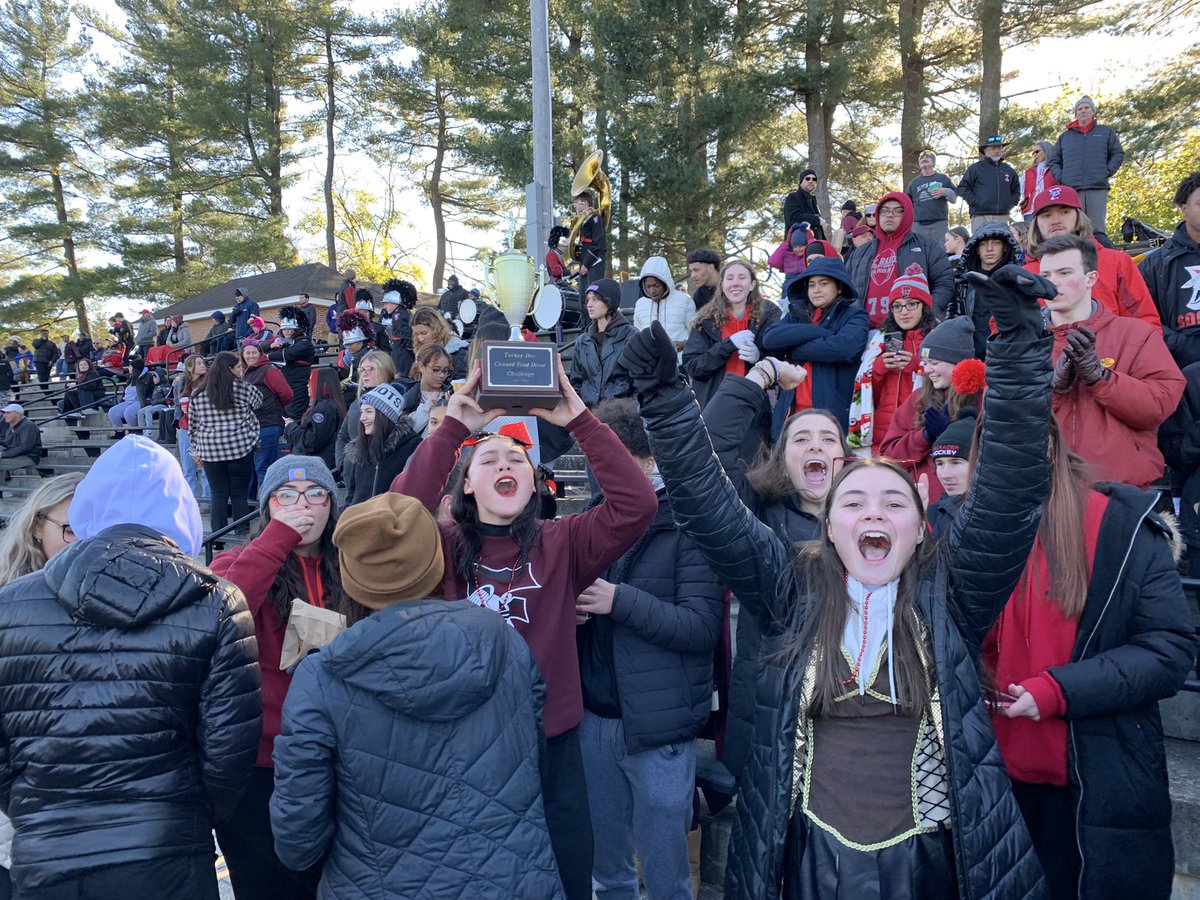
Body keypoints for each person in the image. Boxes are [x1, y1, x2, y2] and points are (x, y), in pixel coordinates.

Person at [620, 261, 1057, 898]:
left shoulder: (951, 595)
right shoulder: (791, 590)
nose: (873, 513)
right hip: (806, 863)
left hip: (931, 866)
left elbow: (1011, 487)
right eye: (854, 503)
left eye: (893, 503)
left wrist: (1017, 345)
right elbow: (711, 509)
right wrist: (664, 401)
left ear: (919, 528)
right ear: (830, 529)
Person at [390, 361, 658, 900]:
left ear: (535, 482)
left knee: (567, 878)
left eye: (517, 458)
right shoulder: (440, 546)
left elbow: (637, 504)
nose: (505, 463)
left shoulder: (563, 542)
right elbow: (393, 516)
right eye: (488, 460)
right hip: (463, 745)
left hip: (552, 746)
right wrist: (454, 429)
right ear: (466, 484)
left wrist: (579, 418)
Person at [0, 435, 261, 899]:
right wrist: (189, 816)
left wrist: (35, 811)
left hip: (49, 855)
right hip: (167, 850)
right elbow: (228, 752)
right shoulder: (216, 601)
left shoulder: (11, 604)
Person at [270, 492, 564, 899]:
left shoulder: (321, 677)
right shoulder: (504, 641)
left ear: (353, 578)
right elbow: (534, 762)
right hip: (514, 878)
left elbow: (298, 840)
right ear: (435, 562)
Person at [983, 420, 1194, 900]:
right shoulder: (961, 526)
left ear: (1054, 446)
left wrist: (1059, 691)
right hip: (989, 781)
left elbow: (1168, 649)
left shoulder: (1121, 527)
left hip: (1092, 779)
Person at [577, 399, 724, 900]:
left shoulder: (690, 524)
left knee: (667, 880)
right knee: (608, 873)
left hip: (659, 731)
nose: (603, 474)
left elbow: (701, 627)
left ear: (643, 459)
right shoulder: (593, 518)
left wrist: (619, 600)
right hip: (593, 719)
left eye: (610, 461)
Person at [211, 456, 345, 900]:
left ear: (332, 504)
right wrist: (278, 540)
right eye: (285, 495)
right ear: (267, 507)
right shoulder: (237, 560)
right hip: (260, 763)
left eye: (315, 494)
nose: (301, 505)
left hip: (337, 756)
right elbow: (223, 614)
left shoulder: (355, 564)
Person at [1039, 233, 1184, 489]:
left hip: (1122, 492)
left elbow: (1160, 404)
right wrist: (1053, 390)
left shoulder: (1137, 334)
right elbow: (1003, 421)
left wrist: (1102, 379)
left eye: (1064, 273)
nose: (1053, 284)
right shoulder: (1022, 343)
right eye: (1046, 276)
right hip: (1046, 491)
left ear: (1091, 278)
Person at [0, 473, 83, 898]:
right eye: (70, 529)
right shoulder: (6, 601)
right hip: (22, 818)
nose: (84, 541)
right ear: (36, 526)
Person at [878, 316, 979, 506]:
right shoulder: (918, 400)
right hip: (926, 506)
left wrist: (953, 436)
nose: (927, 370)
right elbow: (888, 458)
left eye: (934, 362)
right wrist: (924, 436)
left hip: (973, 504)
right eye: (925, 362)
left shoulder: (983, 397)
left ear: (957, 362)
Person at [761, 256, 870, 432]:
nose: (816, 290)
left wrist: (794, 350)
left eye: (823, 283)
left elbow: (844, 349)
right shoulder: (795, 315)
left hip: (833, 418)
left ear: (839, 287)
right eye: (811, 285)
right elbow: (770, 339)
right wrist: (822, 333)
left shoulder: (854, 315)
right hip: (791, 415)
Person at [1024, 185, 1158, 325]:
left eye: (1064, 212)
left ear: (1078, 217)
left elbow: (1145, 321)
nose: (1056, 220)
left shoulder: (1117, 262)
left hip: (1112, 345)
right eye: (1047, 215)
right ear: (1036, 223)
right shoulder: (1024, 275)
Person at [848, 267, 940, 453]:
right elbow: (866, 395)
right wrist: (878, 368)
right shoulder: (880, 340)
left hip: (921, 432)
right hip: (884, 433)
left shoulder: (938, 337)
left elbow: (948, 382)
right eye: (897, 306)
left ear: (925, 306)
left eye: (912, 304)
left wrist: (917, 366)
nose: (904, 312)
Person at [681, 258, 782, 410]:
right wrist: (728, 345)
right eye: (729, 278)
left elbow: (781, 363)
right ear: (722, 284)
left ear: (752, 284)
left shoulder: (769, 314)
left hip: (754, 409)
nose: (735, 283)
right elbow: (694, 368)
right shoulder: (705, 319)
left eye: (742, 278)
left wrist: (758, 358)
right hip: (713, 406)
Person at [846, 191, 955, 325]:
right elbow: (846, 291)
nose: (890, 215)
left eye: (898, 211)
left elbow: (944, 282)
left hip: (909, 331)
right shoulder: (859, 253)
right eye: (885, 210)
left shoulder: (927, 246)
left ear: (908, 214)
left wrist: (928, 313)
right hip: (864, 332)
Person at [188, 350, 263, 534]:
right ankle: (241, 532)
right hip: (240, 446)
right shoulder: (242, 388)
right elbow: (259, 402)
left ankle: (217, 537)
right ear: (230, 369)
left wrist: (196, 446)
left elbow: (193, 425)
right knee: (239, 493)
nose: (241, 370)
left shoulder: (198, 393)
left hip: (211, 450)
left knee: (218, 493)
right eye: (238, 367)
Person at [1140, 170, 1200, 369]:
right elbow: (1139, 315)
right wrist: (1181, 345)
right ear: (1184, 209)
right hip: (1184, 370)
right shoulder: (1155, 263)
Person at [1048, 96, 1124, 239]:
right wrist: (1062, 178)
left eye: (1087, 108)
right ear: (1076, 113)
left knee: (1098, 230)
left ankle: (1100, 259)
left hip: (1097, 187)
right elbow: (1054, 161)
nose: (1083, 111)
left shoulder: (1105, 132)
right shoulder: (1065, 137)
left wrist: (1107, 171)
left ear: (1093, 111)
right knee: (1074, 228)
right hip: (1072, 189)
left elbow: (1118, 153)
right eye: (1080, 109)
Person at [952, 223, 1024, 357]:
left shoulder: (1018, 281)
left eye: (996, 243)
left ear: (1005, 247)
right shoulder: (962, 282)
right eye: (983, 244)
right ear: (976, 248)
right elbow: (952, 321)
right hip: (971, 357)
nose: (989, 248)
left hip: (1009, 358)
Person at [345, 384, 421, 505]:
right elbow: (352, 493)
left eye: (369, 411)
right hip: (358, 519)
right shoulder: (362, 447)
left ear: (385, 415)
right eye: (362, 412)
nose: (362, 418)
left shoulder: (411, 446)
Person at [571, 278, 636, 408]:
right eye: (588, 300)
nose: (589, 304)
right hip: (589, 416)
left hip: (621, 417)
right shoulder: (582, 341)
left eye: (595, 299)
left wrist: (630, 413)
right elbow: (576, 383)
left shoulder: (631, 336)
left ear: (609, 302)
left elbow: (640, 384)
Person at [240, 342, 294, 495]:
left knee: (263, 468)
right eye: (247, 353)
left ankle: (267, 508)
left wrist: (271, 406)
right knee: (250, 471)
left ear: (260, 353)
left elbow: (287, 394)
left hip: (267, 425)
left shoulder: (269, 371)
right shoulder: (246, 373)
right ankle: (247, 511)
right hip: (250, 428)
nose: (250, 356)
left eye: (254, 353)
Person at [926, 407, 977, 538]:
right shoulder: (929, 516)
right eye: (940, 464)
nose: (945, 475)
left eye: (955, 463)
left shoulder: (1002, 513)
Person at [285, 367, 346, 471]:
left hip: (317, 466)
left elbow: (311, 442)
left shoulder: (324, 409)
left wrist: (290, 427)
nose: (308, 385)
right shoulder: (329, 405)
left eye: (311, 381)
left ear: (323, 384)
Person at [957, 134, 1020, 231]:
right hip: (980, 217)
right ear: (985, 151)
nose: (997, 151)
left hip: (1003, 217)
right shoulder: (975, 168)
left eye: (999, 147)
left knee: (1002, 245)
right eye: (993, 148)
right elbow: (962, 188)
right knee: (980, 245)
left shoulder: (1009, 170)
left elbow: (1016, 190)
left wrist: (1009, 204)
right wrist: (977, 202)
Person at [633, 256, 692, 351]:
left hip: (680, 362)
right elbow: (637, 334)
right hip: (650, 363)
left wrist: (685, 344)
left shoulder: (684, 301)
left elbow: (696, 334)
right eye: (648, 286)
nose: (652, 290)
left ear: (665, 282)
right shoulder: (640, 304)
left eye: (656, 285)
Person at [267, 306, 316, 418]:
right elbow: (258, 346)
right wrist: (270, 345)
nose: (287, 331)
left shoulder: (304, 343)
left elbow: (288, 354)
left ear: (296, 329)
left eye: (290, 328)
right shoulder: (281, 341)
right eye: (284, 329)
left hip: (298, 389)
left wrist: (268, 355)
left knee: (293, 419)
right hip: (283, 388)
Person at [174, 354, 209, 504]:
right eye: (198, 363)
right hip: (185, 428)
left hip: (204, 429)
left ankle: (208, 501)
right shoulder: (183, 383)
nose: (203, 366)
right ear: (189, 367)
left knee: (205, 468)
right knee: (188, 469)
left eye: (203, 363)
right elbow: (177, 404)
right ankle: (192, 503)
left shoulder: (209, 382)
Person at [905, 151, 959, 242]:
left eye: (927, 157)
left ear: (933, 162)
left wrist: (944, 191)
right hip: (918, 226)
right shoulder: (914, 183)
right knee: (919, 253)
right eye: (922, 158)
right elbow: (907, 204)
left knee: (940, 252)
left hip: (939, 224)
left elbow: (954, 197)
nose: (924, 159)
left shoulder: (943, 178)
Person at [401, 344, 453, 434]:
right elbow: (406, 432)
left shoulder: (451, 394)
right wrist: (427, 406)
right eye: (436, 370)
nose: (442, 375)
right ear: (421, 366)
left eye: (445, 371)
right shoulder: (409, 396)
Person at [411, 305, 469, 379]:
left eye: (424, 333)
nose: (420, 339)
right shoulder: (420, 353)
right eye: (417, 334)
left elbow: (460, 383)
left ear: (436, 329)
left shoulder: (458, 353)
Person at [379, 278, 417, 376]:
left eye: (386, 303)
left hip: (403, 359)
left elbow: (406, 336)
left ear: (395, 302)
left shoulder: (398, 315)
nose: (384, 307)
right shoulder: (401, 313)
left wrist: (414, 352)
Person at [767, 225, 811, 301]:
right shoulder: (788, 256)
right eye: (795, 247)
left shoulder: (809, 257)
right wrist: (787, 242)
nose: (797, 249)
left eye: (801, 246)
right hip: (788, 293)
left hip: (804, 292)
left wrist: (811, 239)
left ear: (807, 245)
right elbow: (772, 261)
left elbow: (814, 251)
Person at [573, 190, 607, 287]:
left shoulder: (596, 218)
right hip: (584, 260)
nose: (574, 205)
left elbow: (598, 243)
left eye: (576, 202)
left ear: (586, 203)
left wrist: (587, 264)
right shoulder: (583, 221)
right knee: (584, 296)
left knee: (593, 291)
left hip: (594, 260)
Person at [1019, 141, 1058, 223]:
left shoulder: (1056, 169)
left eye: (1037, 151)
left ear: (1047, 150)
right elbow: (1021, 191)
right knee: (1030, 235)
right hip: (1030, 212)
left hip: (1051, 207)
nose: (1035, 155)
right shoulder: (1028, 173)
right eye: (1033, 153)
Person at [59, 357, 106, 423]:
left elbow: (91, 386)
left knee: (71, 393)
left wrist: (77, 387)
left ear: (89, 365)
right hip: (84, 393)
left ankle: (78, 411)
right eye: (80, 365)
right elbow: (78, 385)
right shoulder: (79, 376)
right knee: (64, 398)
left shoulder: (92, 374)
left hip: (94, 393)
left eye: (84, 365)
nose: (82, 366)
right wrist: (68, 385)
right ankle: (67, 412)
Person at [782, 168, 825, 240]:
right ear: (801, 182)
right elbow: (794, 218)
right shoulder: (793, 197)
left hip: (814, 247)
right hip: (798, 247)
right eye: (808, 179)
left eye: (814, 179)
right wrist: (817, 220)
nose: (811, 181)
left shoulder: (813, 200)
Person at [0, 403, 41, 478]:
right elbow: (7, 443)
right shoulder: (11, 426)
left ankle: (2, 487)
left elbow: (24, 447)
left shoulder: (28, 425)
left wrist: (3, 454)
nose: (4, 415)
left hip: (28, 457)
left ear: (17, 414)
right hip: (17, 455)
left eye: (8, 413)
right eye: (4, 413)